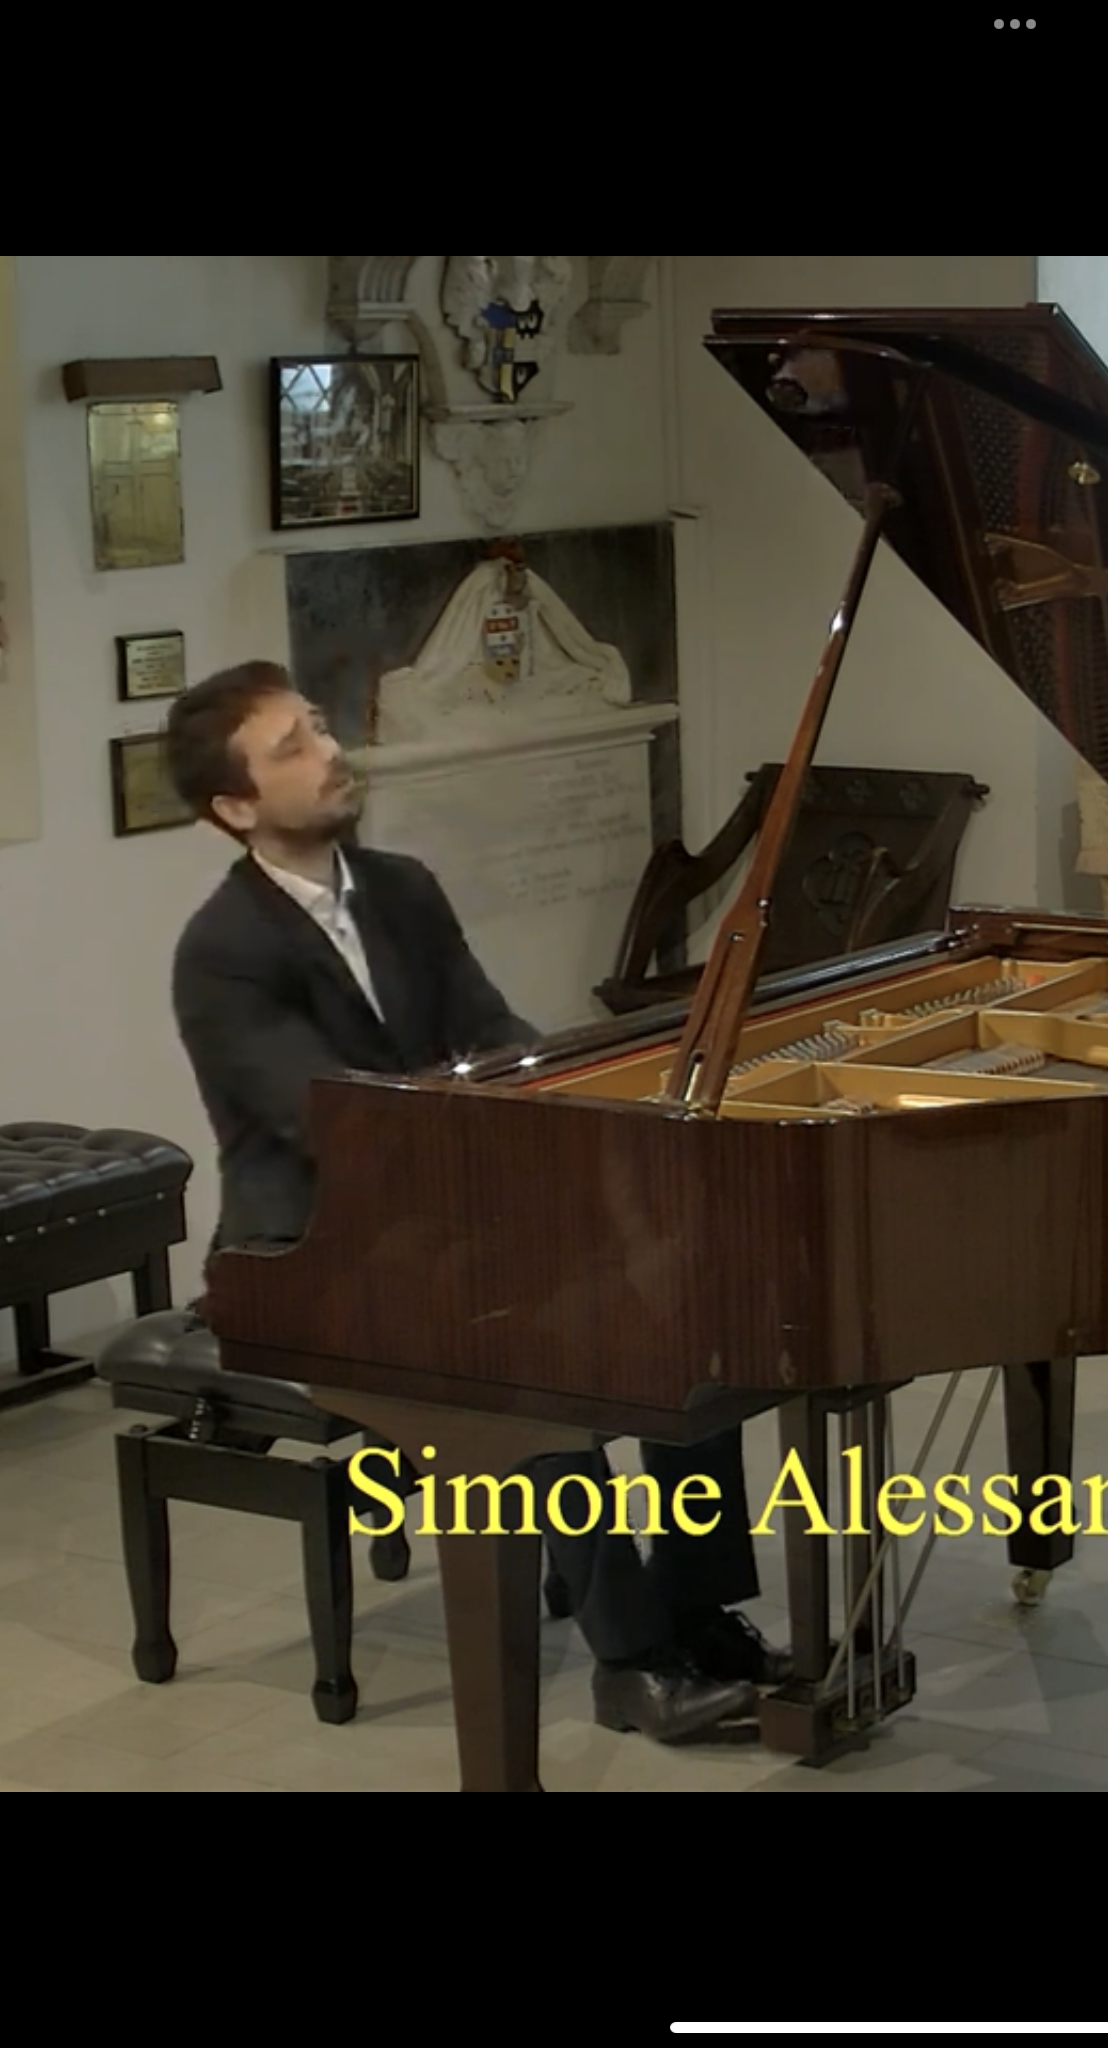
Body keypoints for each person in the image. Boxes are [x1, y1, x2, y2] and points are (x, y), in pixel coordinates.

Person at [162, 660, 786, 1745]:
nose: (329, 751)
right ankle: (631, 1661)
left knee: (685, 1299)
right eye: (293, 747)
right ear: (236, 807)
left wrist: (579, 1103)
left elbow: (494, 1032)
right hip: (310, 1251)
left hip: (443, 1212)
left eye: (319, 726)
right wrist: (507, 1192)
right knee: (527, 1358)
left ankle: (699, 1611)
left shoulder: (402, 887)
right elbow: (330, 1123)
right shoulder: (222, 951)